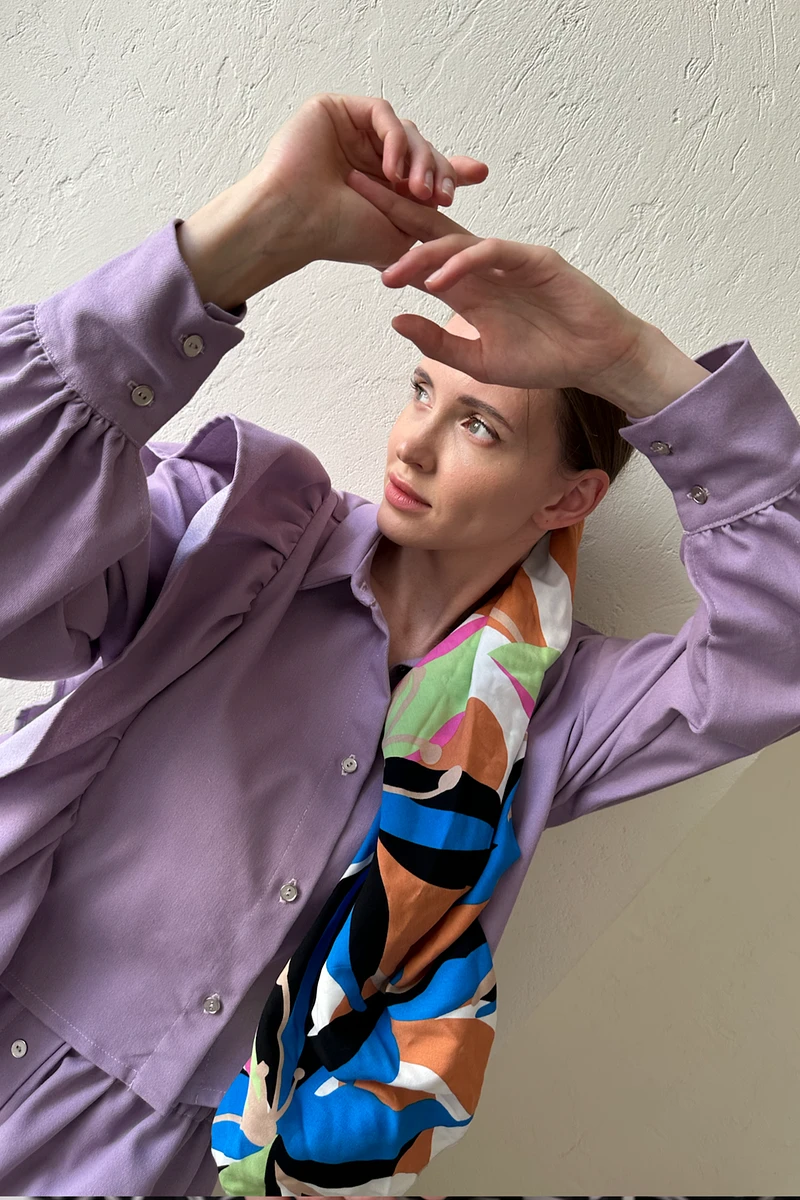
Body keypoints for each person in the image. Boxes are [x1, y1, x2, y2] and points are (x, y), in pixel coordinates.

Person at [0, 91, 798, 1197]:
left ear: (567, 497)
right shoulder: (234, 536)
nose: (413, 443)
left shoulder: (557, 713)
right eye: (423, 388)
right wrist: (245, 235)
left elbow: (780, 651)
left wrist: (634, 363)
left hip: (199, 1168)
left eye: (478, 424)